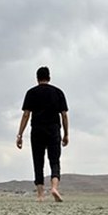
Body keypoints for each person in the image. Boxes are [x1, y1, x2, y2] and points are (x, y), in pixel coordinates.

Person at [16, 66, 69, 202]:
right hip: (53, 129)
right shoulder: (58, 92)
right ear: (49, 78)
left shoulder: (31, 93)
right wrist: (66, 134)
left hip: (37, 130)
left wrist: (20, 135)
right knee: (54, 160)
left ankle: (40, 195)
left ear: (37, 78)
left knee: (38, 161)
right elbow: (64, 115)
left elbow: (26, 115)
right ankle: (54, 188)